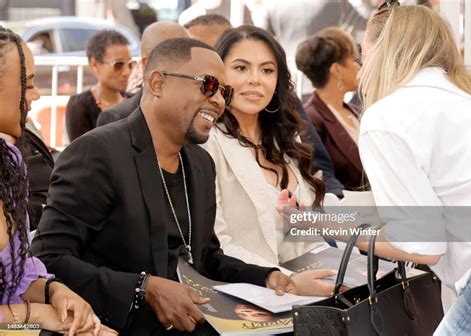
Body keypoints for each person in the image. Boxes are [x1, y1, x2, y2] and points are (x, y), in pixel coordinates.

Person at [32, 37, 295, 335]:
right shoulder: (97, 152)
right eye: (208, 85)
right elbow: (49, 259)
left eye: (225, 91)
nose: (220, 100)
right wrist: (144, 287)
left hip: (196, 319)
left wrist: (268, 278)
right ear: (157, 83)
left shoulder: (199, 163)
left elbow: (205, 257)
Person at [279, 4, 471, 335]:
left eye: (363, 53)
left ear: (383, 50)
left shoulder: (387, 116)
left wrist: (329, 226)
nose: (362, 64)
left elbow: (422, 246)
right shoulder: (462, 96)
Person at [201, 26, 334, 297]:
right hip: (249, 299)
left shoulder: (285, 138)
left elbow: (303, 233)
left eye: (267, 70)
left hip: (313, 294)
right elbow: (216, 244)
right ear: (219, 74)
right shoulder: (208, 143)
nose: (255, 80)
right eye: (240, 68)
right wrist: (288, 282)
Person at [0, 26, 115, 335]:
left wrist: (56, 293)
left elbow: (19, 276)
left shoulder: (9, 162)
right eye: (27, 84)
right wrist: (31, 313)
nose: (36, 95)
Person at [296, 27, 363, 190]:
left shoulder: (356, 111)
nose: (360, 67)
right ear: (337, 69)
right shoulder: (311, 120)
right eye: (355, 61)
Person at [97, 22, 190, 127]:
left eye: (190, 56)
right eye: (178, 56)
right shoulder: (116, 118)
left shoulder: (196, 112)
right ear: (148, 63)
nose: (189, 64)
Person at [65, 30, 134, 141]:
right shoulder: (79, 106)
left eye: (130, 64)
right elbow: (81, 154)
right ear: (95, 64)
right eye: (118, 64)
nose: (127, 72)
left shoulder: (135, 101)